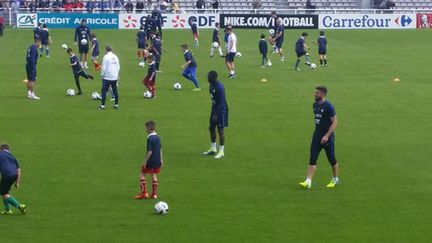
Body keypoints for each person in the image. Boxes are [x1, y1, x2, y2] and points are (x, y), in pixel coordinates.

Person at [299, 86, 339, 189]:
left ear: (323, 94)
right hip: (317, 136)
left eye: (317, 93)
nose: (315, 94)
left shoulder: (329, 106)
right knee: (313, 157)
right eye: (315, 93)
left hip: (327, 137)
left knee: (331, 159)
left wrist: (327, 135)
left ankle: (335, 178)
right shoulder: (315, 105)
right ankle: (308, 181)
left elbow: (335, 122)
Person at [134, 121, 163, 200]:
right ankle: (154, 194)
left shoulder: (150, 138)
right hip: (157, 160)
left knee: (142, 172)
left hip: (151, 160)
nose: (145, 129)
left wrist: (145, 160)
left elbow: (150, 151)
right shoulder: (158, 137)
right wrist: (161, 159)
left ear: (149, 128)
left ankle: (144, 193)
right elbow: (160, 148)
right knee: (154, 174)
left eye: (146, 128)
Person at [203, 71, 228, 159]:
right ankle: (213, 148)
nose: (207, 79)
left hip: (221, 111)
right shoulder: (211, 85)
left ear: (213, 78)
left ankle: (221, 151)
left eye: (208, 77)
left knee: (220, 130)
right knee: (211, 128)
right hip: (214, 109)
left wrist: (217, 114)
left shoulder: (220, 87)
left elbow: (221, 103)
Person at [0, 144, 27, 215]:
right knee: (4, 191)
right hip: (14, 175)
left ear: (1, 149)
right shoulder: (12, 157)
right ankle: (8, 210)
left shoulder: (0, 154)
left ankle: (20, 206)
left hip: (7, 175)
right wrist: (17, 182)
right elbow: (19, 170)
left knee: (3, 193)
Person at [99, 45, 120, 110]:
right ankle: (116, 105)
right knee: (115, 91)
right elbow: (118, 67)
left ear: (106, 50)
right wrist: (116, 75)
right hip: (114, 77)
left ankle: (103, 105)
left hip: (107, 77)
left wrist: (102, 75)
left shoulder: (106, 57)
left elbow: (104, 67)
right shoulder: (115, 56)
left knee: (104, 91)